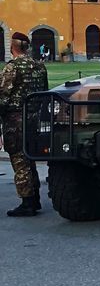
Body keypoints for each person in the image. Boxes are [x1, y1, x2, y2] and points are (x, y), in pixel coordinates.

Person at [0, 32, 49, 217]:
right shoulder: (39, 66)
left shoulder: (12, 67)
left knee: (20, 160)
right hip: (35, 118)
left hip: (16, 119)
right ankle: (34, 198)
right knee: (30, 157)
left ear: (12, 47)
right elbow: (44, 92)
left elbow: (3, 97)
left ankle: (27, 201)